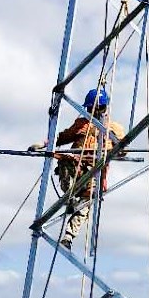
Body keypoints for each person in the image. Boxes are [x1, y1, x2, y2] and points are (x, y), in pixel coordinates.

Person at [30, 88, 127, 250]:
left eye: (94, 108)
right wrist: (44, 144)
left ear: (102, 108)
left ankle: (68, 237)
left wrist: (117, 147)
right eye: (89, 108)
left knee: (86, 202)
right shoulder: (82, 124)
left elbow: (123, 150)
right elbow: (62, 137)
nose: (91, 111)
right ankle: (70, 199)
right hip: (77, 165)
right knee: (64, 164)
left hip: (96, 171)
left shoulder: (114, 128)